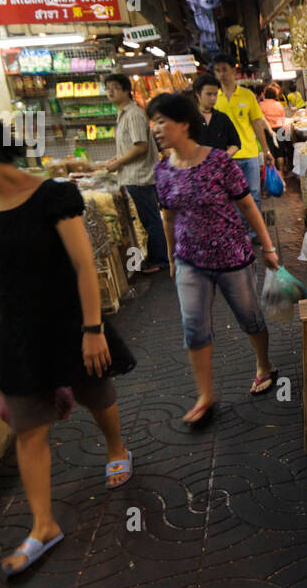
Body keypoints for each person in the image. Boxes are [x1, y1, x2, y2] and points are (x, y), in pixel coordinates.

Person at [0, 120, 133, 577]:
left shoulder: (53, 197)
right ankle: (43, 525)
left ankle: (116, 449)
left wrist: (92, 329)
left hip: (68, 319)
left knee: (95, 392)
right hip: (16, 330)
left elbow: (84, 266)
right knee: (28, 426)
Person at [148, 93, 280, 423]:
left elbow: (247, 205)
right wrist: (171, 255)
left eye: (162, 120)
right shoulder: (162, 171)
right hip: (190, 259)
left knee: (249, 316)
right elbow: (168, 216)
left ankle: (263, 363)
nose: (156, 128)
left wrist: (268, 247)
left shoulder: (219, 161)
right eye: (154, 121)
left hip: (232, 254)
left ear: (183, 123)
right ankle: (205, 394)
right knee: (193, 328)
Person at [100, 73, 166, 274]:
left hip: (140, 177)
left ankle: (160, 259)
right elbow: (131, 146)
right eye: (108, 87)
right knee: (146, 218)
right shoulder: (123, 114)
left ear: (126, 90)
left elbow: (141, 147)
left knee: (150, 219)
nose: (110, 91)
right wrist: (116, 159)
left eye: (115, 87)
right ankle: (156, 257)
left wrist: (118, 162)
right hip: (131, 175)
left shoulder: (134, 114)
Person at [211, 55, 276, 209]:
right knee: (231, 197)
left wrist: (266, 151)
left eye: (225, 70)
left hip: (249, 154)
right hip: (226, 157)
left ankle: (254, 232)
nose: (221, 74)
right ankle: (240, 231)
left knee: (254, 194)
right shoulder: (214, 99)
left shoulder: (247, 96)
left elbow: (256, 125)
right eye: (218, 71)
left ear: (234, 71)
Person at [193, 73, 241, 153]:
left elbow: (236, 143)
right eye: (209, 94)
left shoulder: (222, 118)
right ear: (197, 94)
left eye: (215, 94)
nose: (213, 98)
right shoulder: (188, 118)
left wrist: (222, 158)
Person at [255, 82, 288, 171]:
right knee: (280, 152)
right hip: (280, 130)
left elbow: (259, 121)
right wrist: (287, 135)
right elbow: (283, 120)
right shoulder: (279, 105)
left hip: (267, 131)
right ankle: (281, 171)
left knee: (271, 151)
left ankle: (273, 172)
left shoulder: (261, 105)